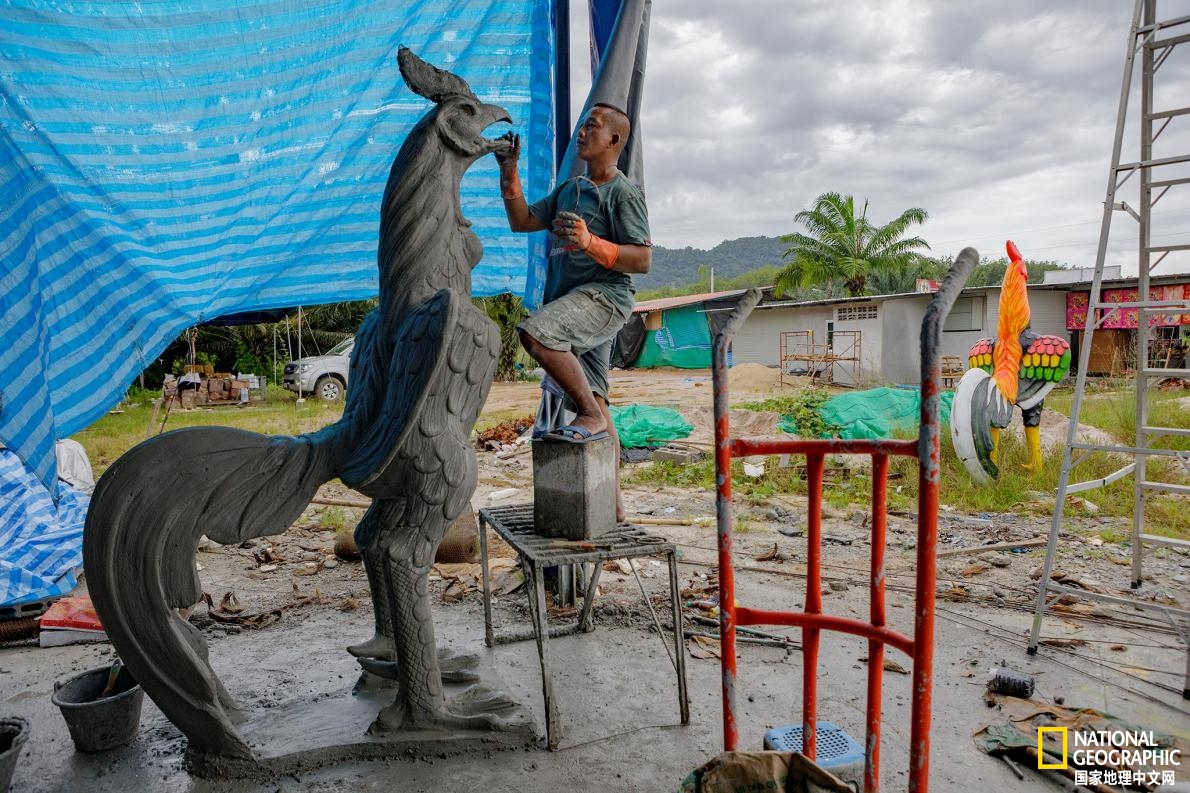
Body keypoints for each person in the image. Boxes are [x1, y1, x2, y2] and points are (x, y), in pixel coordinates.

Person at [496, 103, 651, 521]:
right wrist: (509, 171)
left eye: (592, 126)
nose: (582, 131)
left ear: (614, 140)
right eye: (582, 125)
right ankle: (614, 506)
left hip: (604, 298)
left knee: (536, 333)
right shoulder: (570, 190)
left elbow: (642, 260)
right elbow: (522, 221)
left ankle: (588, 415)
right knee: (596, 397)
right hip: (575, 304)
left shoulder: (622, 193)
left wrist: (589, 243)